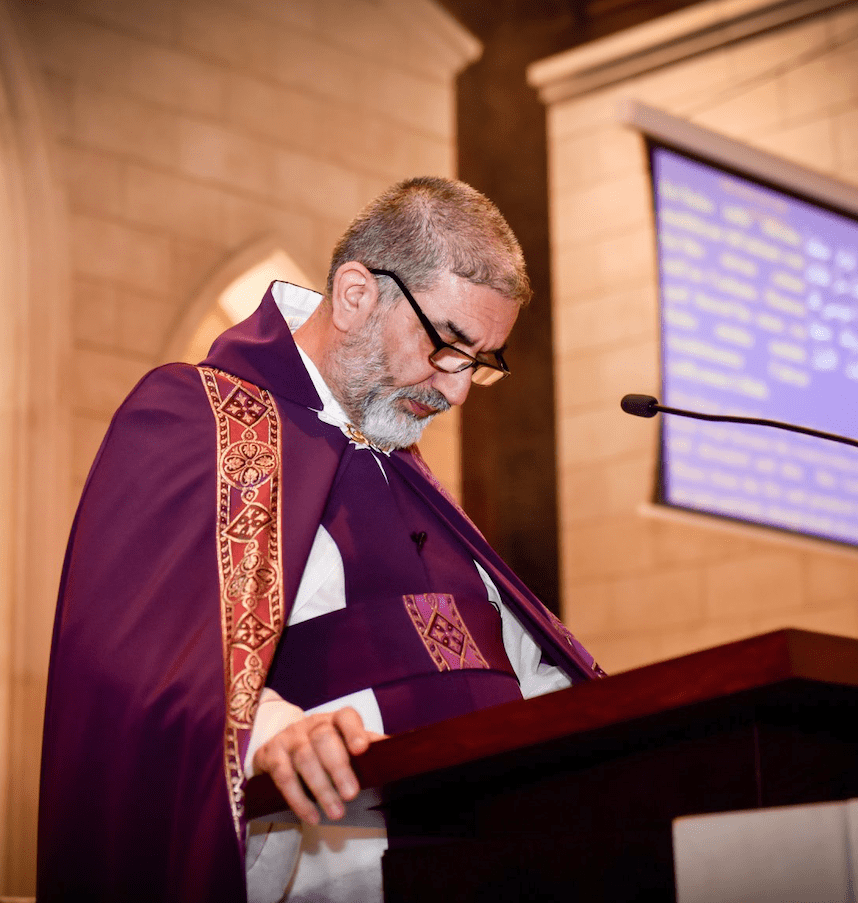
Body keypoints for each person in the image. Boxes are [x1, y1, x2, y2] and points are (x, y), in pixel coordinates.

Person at [37, 176, 603, 902]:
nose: (456, 389)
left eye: (480, 362)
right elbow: (127, 655)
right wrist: (268, 731)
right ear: (356, 294)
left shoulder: (410, 473)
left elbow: (532, 670)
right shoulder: (197, 417)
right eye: (448, 344)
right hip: (332, 863)